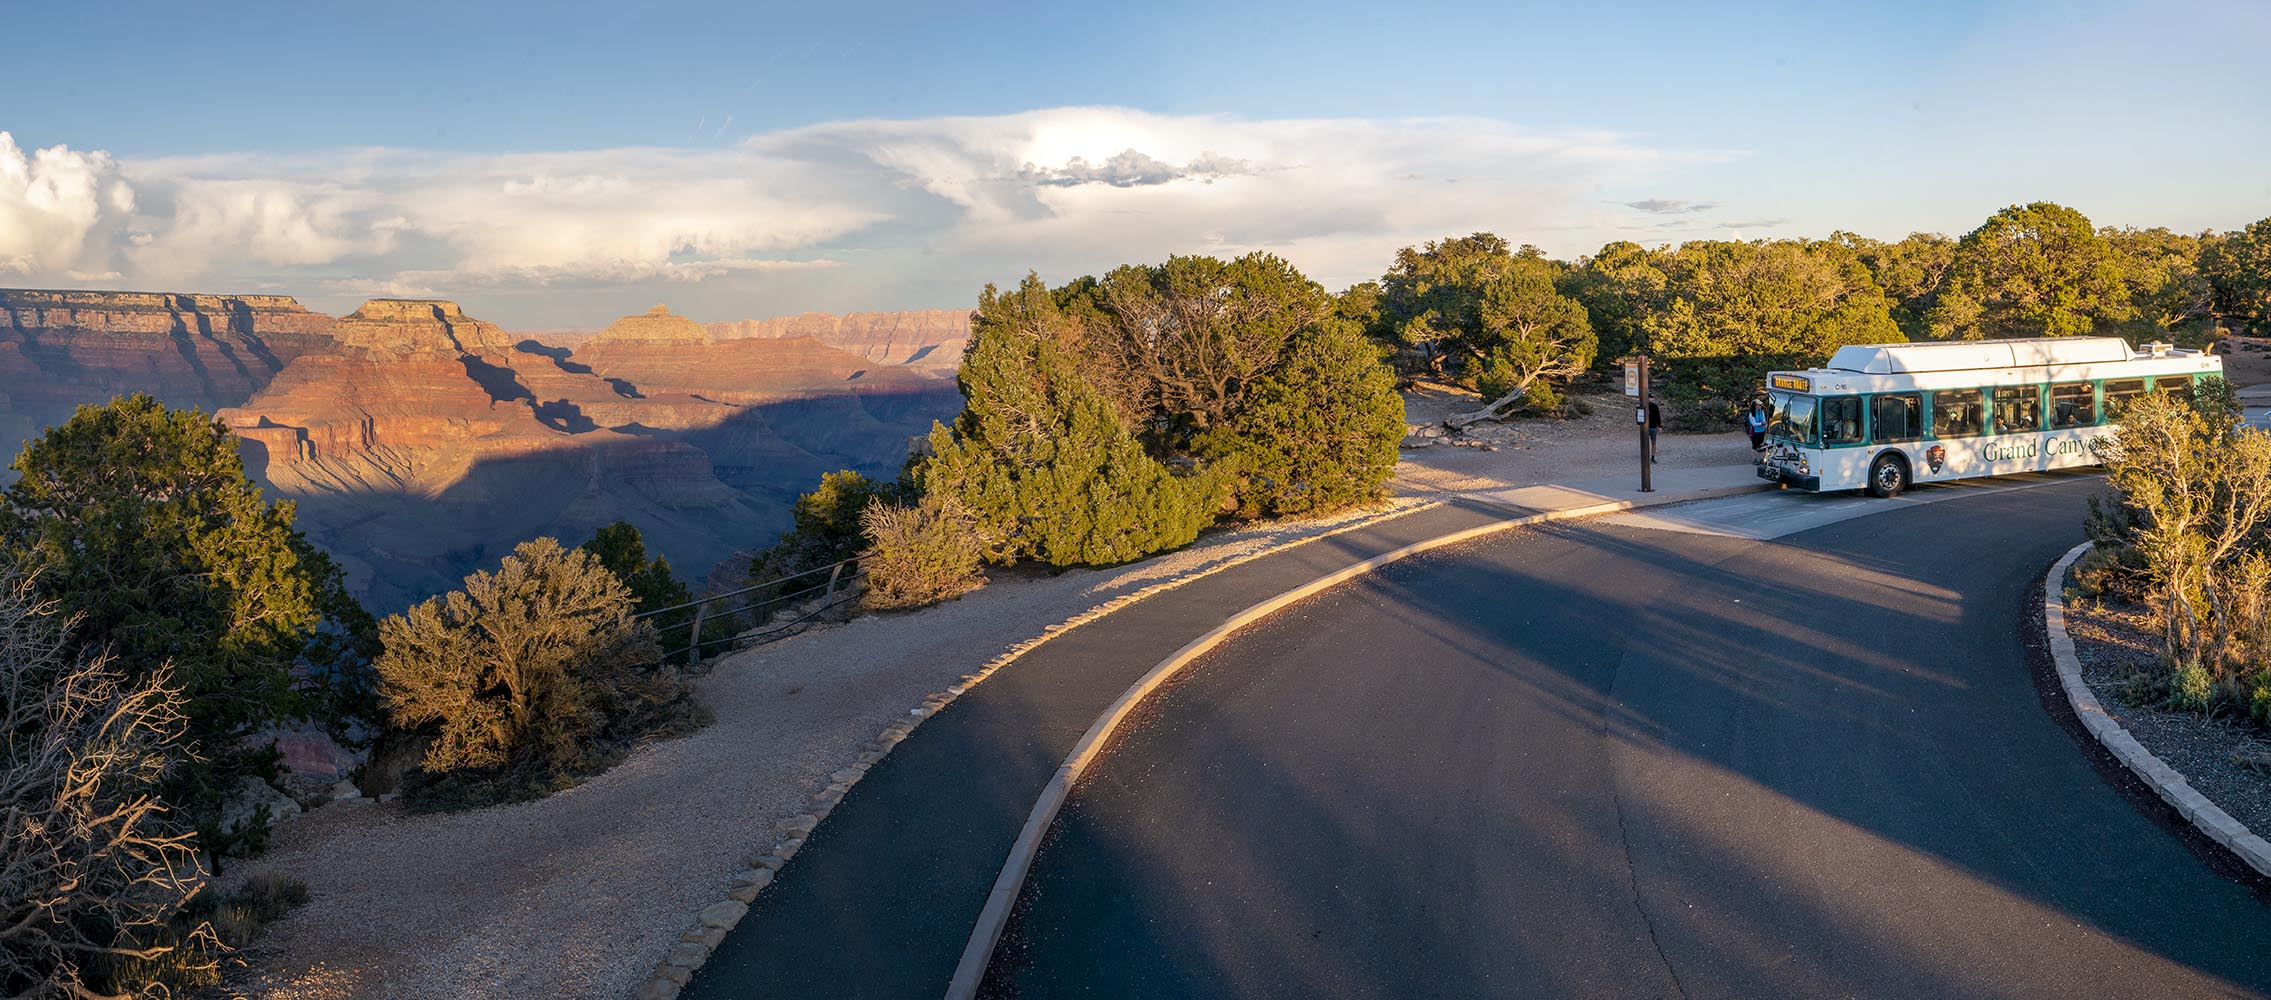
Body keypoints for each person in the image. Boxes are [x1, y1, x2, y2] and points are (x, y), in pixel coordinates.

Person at [1646, 394, 1663, 463]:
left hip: (1653, 427)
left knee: (1653, 442)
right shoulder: (1644, 406)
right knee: (1645, 443)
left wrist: (1659, 426)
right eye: (1650, 398)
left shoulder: (1655, 406)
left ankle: (1653, 457)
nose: (1651, 399)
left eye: (1652, 398)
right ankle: (1645, 457)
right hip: (1645, 427)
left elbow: (1658, 417)